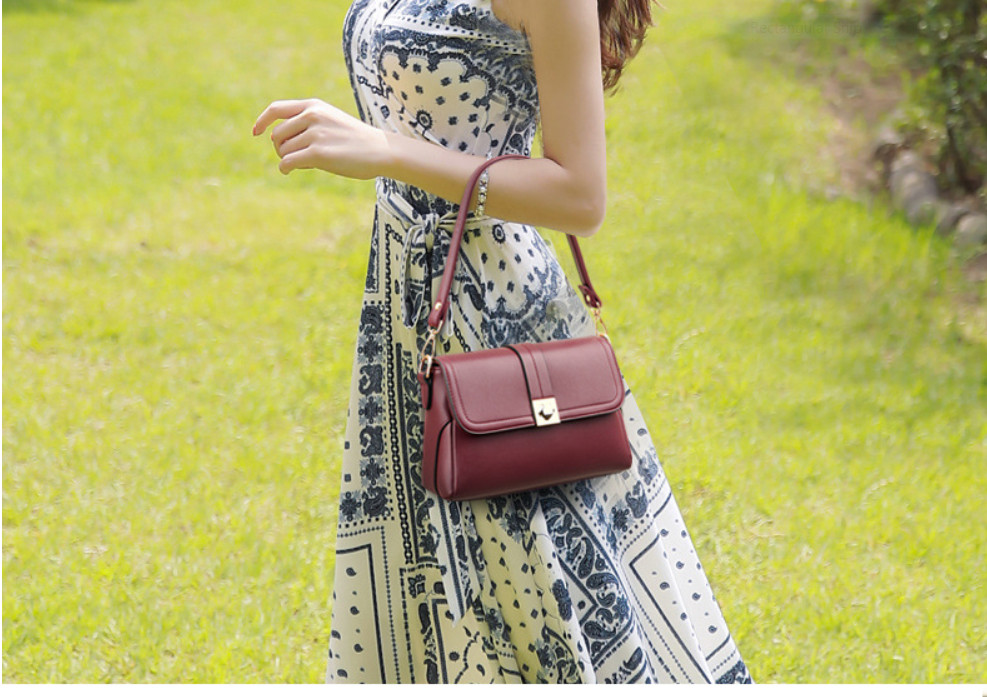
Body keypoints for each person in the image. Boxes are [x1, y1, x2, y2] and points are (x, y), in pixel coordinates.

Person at [253, 0, 752, 684]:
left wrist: (387, 152)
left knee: (534, 581)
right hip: (405, 300)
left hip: (493, 313)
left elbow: (580, 196)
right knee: (425, 578)